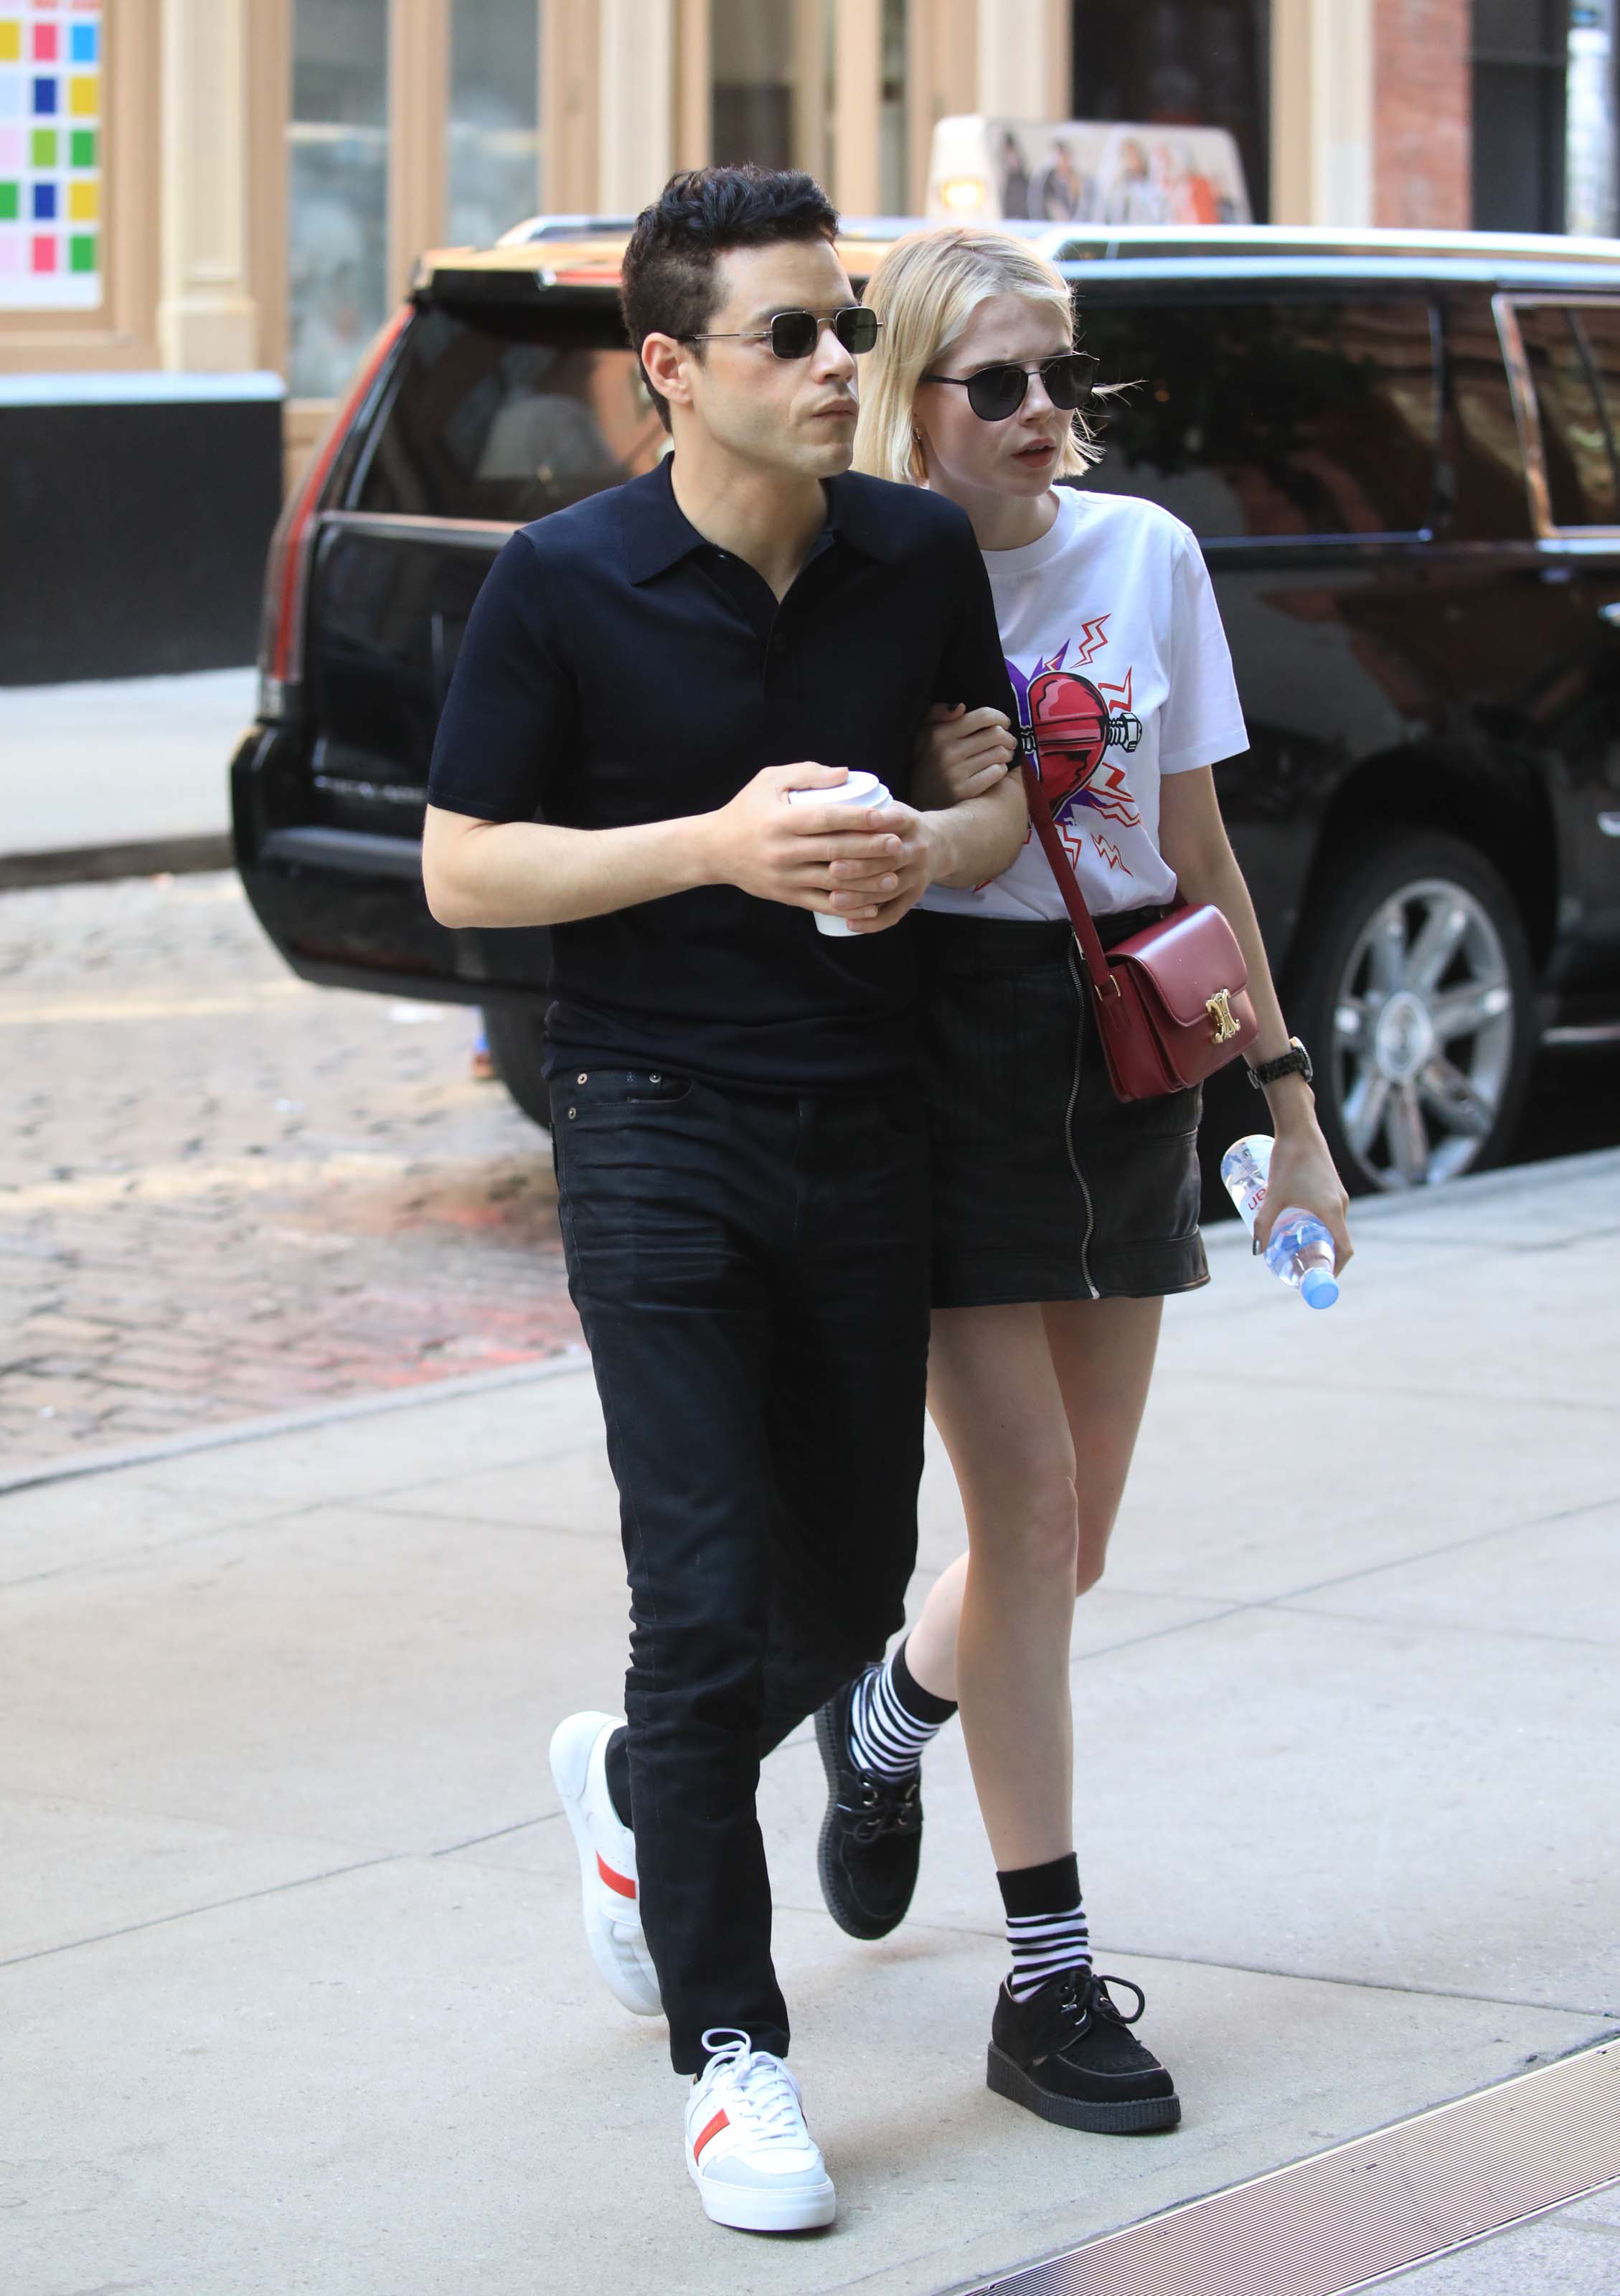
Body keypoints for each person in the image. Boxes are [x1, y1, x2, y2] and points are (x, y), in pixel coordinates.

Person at [420, 171, 1022, 2234]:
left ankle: (630, 1801)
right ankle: (732, 2051)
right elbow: (464, 868)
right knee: (695, 1613)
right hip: (649, 1111)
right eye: (795, 336)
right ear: (671, 370)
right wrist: (715, 846)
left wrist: (918, 859)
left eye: (846, 326)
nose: (845, 366)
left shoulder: (915, 551)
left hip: (863, 1114)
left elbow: (991, 796)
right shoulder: (564, 582)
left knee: (845, 1590)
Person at [814, 225, 1353, 2135]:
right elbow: (838, 865)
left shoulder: (1144, 556)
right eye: (1002, 384)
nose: (1046, 414)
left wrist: (1286, 1108)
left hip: (1130, 1044)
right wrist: (940, 800)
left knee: (1077, 1541)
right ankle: (1046, 1982)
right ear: (917, 404)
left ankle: (884, 1719)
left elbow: (1192, 838)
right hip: (941, 1052)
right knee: (1024, 1511)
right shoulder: (856, 574)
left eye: (1059, 376)